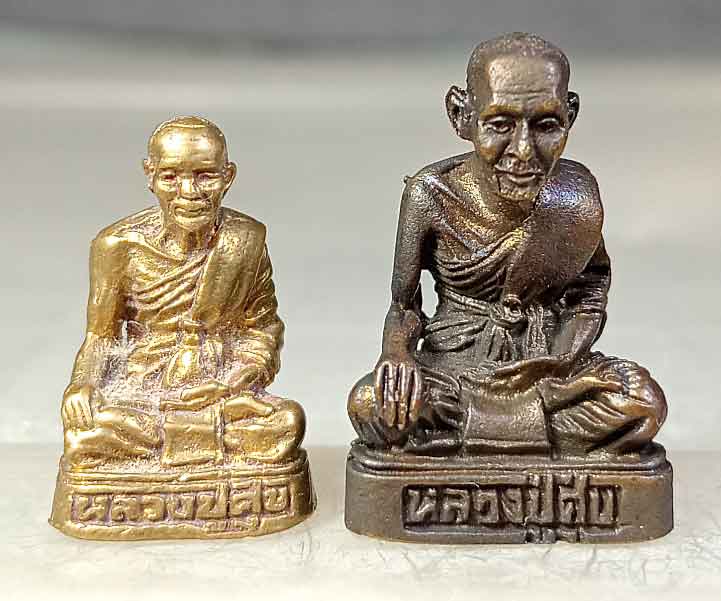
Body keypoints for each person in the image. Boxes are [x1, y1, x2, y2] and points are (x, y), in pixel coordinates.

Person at [348, 33, 666, 456]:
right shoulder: (431, 194)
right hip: (454, 367)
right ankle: (527, 434)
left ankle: (468, 438)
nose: (523, 151)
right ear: (461, 115)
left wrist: (559, 363)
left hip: (548, 367)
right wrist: (396, 356)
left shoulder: (575, 197)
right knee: (371, 403)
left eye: (546, 125)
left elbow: (589, 292)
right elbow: (404, 306)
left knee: (642, 403)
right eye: (500, 125)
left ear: (569, 116)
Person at [61, 116, 304, 467]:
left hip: (220, 392)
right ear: (150, 175)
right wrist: (81, 385)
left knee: (288, 422)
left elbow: (263, 329)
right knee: (86, 429)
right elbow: (101, 336)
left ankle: (169, 441)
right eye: (171, 177)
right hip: (143, 392)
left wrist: (233, 382)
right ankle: (203, 439)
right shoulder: (117, 247)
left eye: (205, 176)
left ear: (228, 177)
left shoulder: (244, 241)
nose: (189, 192)